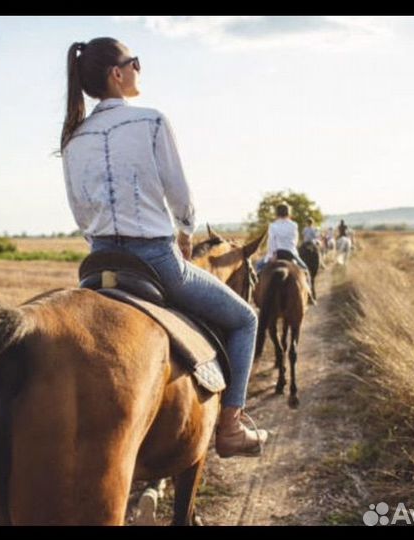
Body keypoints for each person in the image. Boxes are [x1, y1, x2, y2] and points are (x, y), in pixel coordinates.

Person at [59, 37, 267, 458]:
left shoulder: (72, 137)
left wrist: (103, 239)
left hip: (95, 265)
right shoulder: (151, 120)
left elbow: (80, 213)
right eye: (135, 62)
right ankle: (230, 427)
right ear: (117, 74)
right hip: (155, 260)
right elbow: (180, 195)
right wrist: (187, 233)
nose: (139, 69)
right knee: (245, 319)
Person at [255, 204, 315, 302]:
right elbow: (294, 241)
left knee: (258, 267)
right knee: (306, 271)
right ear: (288, 213)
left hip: (276, 253)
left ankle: (255, 294)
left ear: (277, 214)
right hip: (291, 253)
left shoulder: (272, 226)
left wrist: (272, 255)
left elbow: (271, 242)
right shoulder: (294, 225)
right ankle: (309, 295)